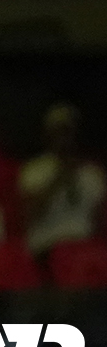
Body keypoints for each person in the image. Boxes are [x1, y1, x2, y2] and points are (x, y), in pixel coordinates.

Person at [20, 103, 104, 256]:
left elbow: (99, 219)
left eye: (68, 131)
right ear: (47, 135)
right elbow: (32, 215)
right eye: (58, 131)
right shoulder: (34, 170)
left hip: (84, 247)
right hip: (48, 246)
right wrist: (60, 177)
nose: (63, 138)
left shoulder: (92, 173)